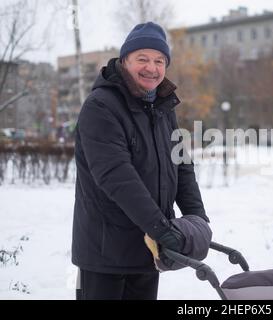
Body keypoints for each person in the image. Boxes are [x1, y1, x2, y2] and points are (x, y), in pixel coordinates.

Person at [72, 22, 209, 300]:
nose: (152, 68)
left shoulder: (162, 107)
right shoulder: (101, 106)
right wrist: (161, 228)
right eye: (142, 59)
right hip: (106, 252)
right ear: (124, 61)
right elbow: (116, 175)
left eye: (159, 61)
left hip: (149, 249)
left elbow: (182, 165)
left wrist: (198, 218)